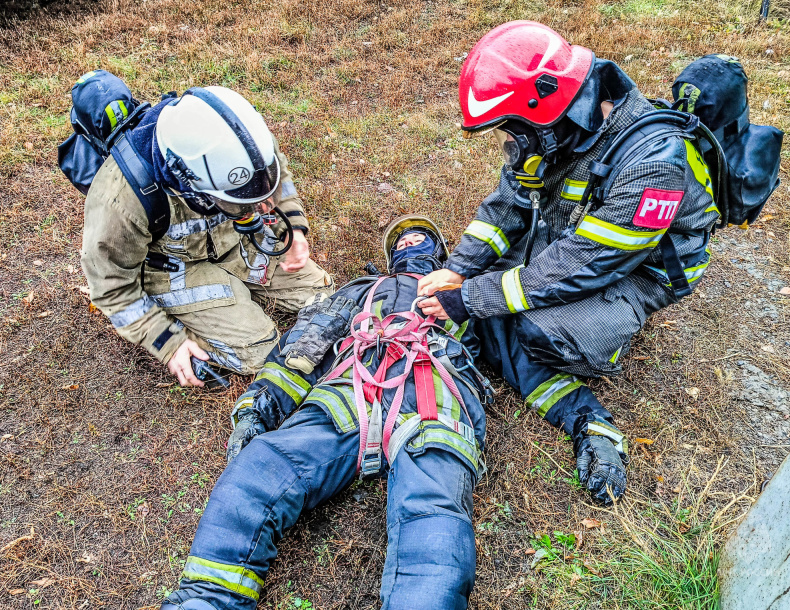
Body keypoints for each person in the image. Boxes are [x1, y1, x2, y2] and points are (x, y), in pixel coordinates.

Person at [419, 21, 720, 503]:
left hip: (638, 271)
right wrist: (460, 267)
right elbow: (507, 207)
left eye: (515, 127)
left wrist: (471, 298)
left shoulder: (654, 163)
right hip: (578, 238)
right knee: (508, 292)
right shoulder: (556, 133)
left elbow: (586, 263)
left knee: (537, 329)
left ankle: (606, 341)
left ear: (550, 108)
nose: (512, 139)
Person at [159, 216, 490, 610]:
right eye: (401, 242)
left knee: (433, 520)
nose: (409, 244)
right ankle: (206, 602)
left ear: (440, 253)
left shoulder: (471, 295)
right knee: (260, 468)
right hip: (350, 392)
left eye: (420, 239)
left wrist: (584, 421)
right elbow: (305, 346)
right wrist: (258, 407)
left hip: (433, 398)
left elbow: (527, 363)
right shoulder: (364, 289)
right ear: (391, 258)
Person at [80, 85, 333, 387]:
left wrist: (292, 227)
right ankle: (193, 329)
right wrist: (166, 341)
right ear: (188, 180)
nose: (249, 207)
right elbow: (112, 288)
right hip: (174, 268)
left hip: (233, 242)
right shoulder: (120, 200)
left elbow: (276, 183)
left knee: (324, 295)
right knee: (260, 352)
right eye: (235, 201)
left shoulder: (242, 140)